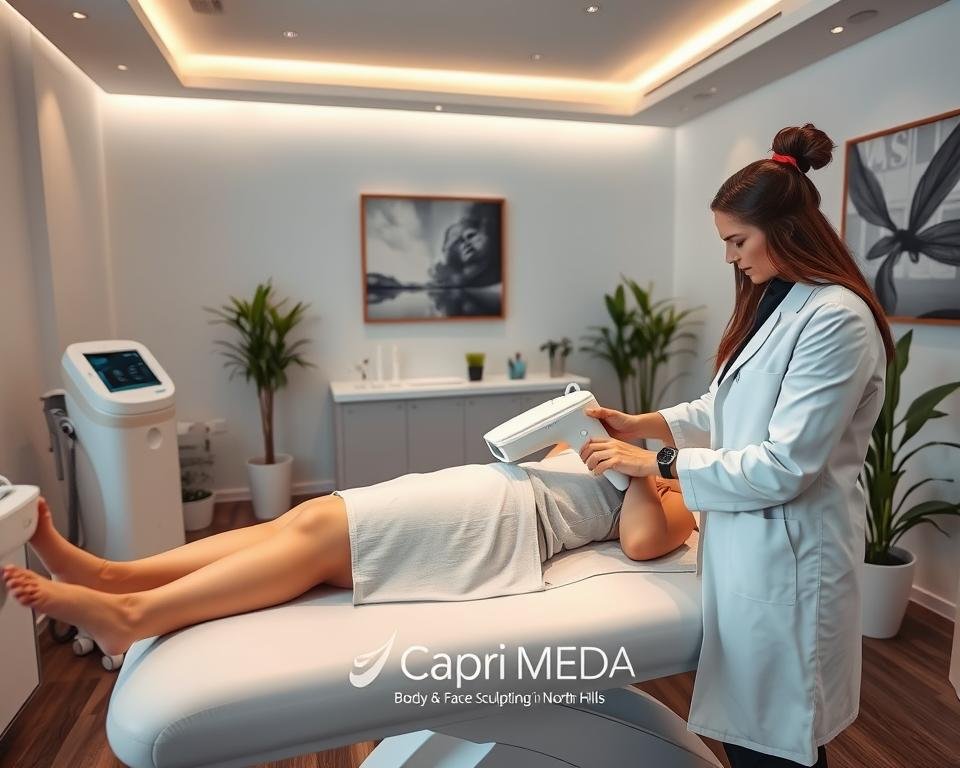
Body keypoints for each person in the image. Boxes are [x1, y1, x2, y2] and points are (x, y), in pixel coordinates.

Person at [579, 124, 894, 768]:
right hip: (751, 548)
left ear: (786, 230)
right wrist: (641, 423)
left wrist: (658, 463)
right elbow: (725, 411)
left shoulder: (835, 318)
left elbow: (785, 464)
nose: (730, 258)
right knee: (752, 737)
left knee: (780, 744)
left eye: (737, 241)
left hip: (793, 556)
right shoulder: (779, 306)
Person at [1, 441, 696, 659]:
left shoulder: (680, 500)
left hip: (501, 523)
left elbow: (640, 541)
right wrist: (574, 437)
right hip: (485, 487)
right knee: (308, 519)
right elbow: (543, 459)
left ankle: (136, 615)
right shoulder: (631, 460)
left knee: (320, 537)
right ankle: (110, 573)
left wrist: (641, 471)